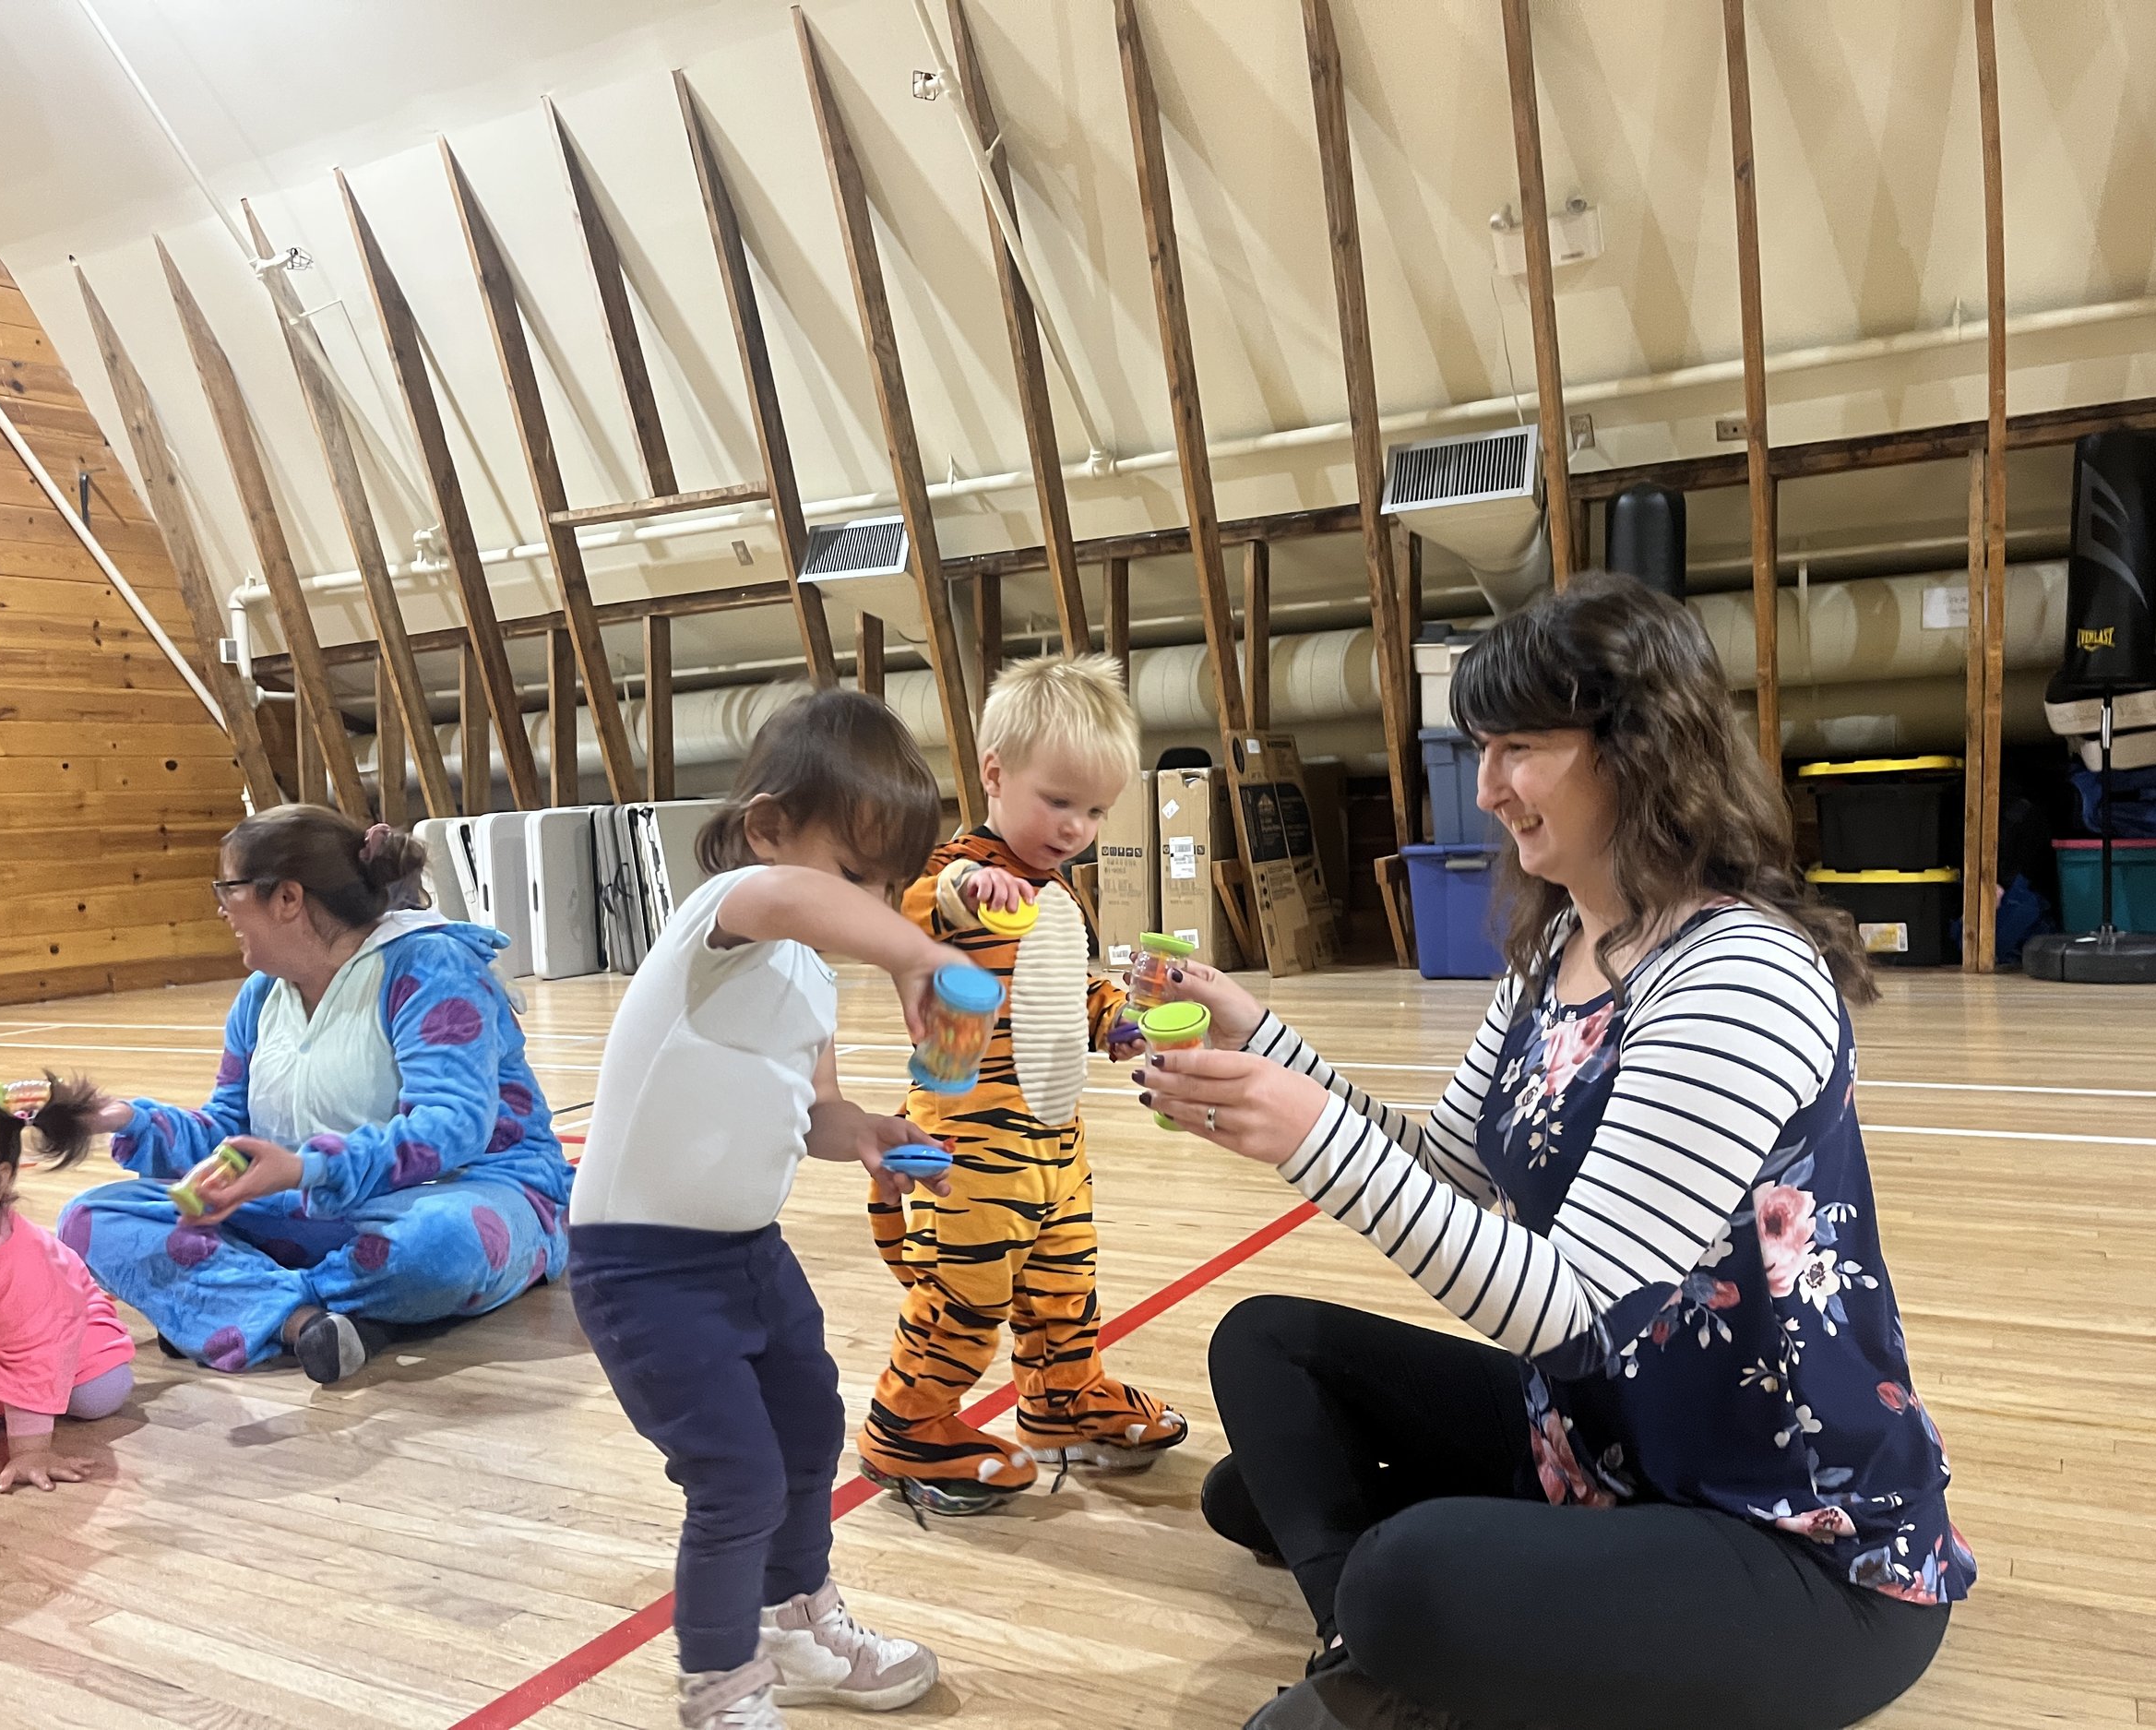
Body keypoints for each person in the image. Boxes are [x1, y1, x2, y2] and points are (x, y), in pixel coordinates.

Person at [1140, 574, 1970, 1730]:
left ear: (1639, 751)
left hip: (1792, 1538)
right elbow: (1458, 1173)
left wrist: (1311, 1137)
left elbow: (1573, 1306)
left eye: (1517, 746)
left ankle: (1393, 1645)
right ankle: (1372, 1659)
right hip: (1598, 1440)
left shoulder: (1740, 976)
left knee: (1398, 1566)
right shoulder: (1557, 949)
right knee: (1267, 1355)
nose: (1486, 788)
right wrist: (1263, 1047)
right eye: (1479, 748)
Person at [570, 689, 956, 1730]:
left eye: (890, 886)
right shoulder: (727, 914)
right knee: (735, 1478)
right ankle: (722, 1686)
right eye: (856, 875)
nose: (875, 904)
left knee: (804, 1433)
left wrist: (868, 1132)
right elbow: (790, 899)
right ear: (768, 828)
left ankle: (794, 1624)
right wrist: (911, 950)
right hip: (641, 1269)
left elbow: (813, 1115)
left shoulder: (810, 982)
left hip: (747, 1255)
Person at [59, 807, 572, 1387]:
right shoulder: (260, 996)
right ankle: (309, 1322)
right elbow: (230, 1130)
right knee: (90, 1217)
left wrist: (307, 1167)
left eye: (228, 889)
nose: (221, 908)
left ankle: (233, 1306)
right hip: (313, 1209)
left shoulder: (432, 965)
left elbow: (450, 1128)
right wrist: (128, 1119)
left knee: (438, 1247)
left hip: (461, 1195)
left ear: (288, 899)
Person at [857, 653, 1181, 1515]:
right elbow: (931, 908)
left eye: (1096, 810)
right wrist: (974, 889)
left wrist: (1117, 1017)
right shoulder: (958, 871)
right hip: (969, 1141)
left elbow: (1062, 987)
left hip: (1050, 1137)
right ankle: (908, 1420)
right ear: (994, 774)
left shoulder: (1056, 894)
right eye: (1058, 800)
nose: (1076, 826)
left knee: (1064, 1285)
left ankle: (1063, 1394)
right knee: (966, 1295)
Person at [0, 1075, 133, 1491]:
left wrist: (30, 1449)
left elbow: (35, 1348)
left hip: (62, 1325)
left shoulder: (21, 1267)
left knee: (96, 1394)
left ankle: (98, 1323)